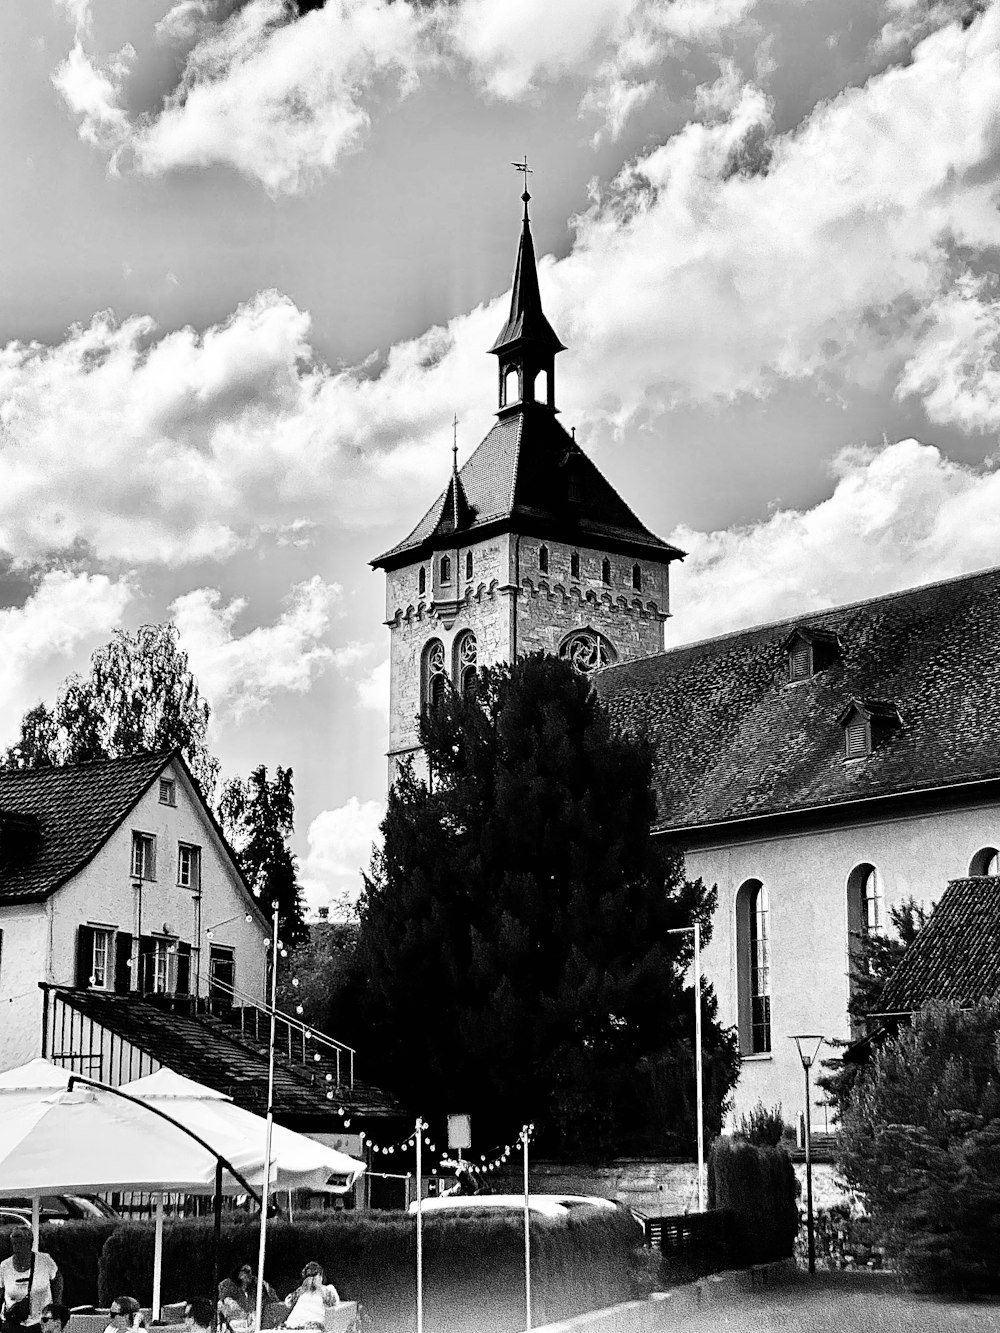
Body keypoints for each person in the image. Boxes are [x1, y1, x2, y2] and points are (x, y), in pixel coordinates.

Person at [1, 1229, 62, 1333]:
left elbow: (58, 1280)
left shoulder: (45, 1260)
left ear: (30, 1244)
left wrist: (56, 1306)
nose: (17, 1247)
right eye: (14, 1243)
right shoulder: (4, 1266)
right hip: (13, 1323)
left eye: (21, 1243)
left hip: (39, 1323)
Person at [283, 1264, 340, 1330]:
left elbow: (334, 1302)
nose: (312, 1279)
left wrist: (319, 1287)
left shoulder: (328, 1288)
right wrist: (302, 1289)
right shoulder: (302, 1290)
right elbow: (288, 1303)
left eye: (314, 1275)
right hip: (293, 1323)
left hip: (313, 1324)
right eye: (309, 1276)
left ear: (320, 1276)